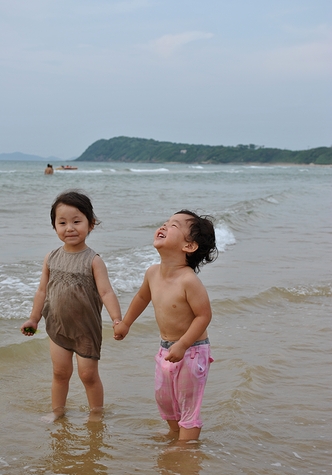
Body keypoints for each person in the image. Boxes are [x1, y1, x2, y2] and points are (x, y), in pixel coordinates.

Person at [114, 210, 218, 441]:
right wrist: (126, 323)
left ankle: (186, 444)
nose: (164, 226)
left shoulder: (188, 280)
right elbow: (142, 298)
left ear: (189, 246)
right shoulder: (152, 272)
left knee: (188, 404)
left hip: (192, 351)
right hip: (166, 349)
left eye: (173, 226)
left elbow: (203, 316)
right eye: (165, 222)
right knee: (165, 398)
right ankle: (174, 433)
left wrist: (183, 344)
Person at [21, 190, 122, 422]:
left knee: (88, 375)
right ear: (54, 226)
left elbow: (106, 292)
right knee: (60, 373)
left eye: (77, 221)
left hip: (85, 328)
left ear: (91, 224)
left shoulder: (94, 260)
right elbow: (42, 291)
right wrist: (33, 319)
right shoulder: (51, 257)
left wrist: (117, 319)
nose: (70, 228)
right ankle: (58, 411)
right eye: (62, 222)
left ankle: (96, 413)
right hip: (57, 327)